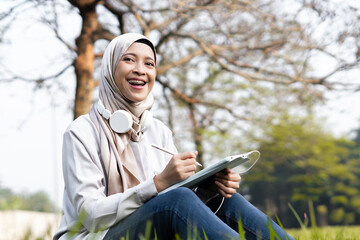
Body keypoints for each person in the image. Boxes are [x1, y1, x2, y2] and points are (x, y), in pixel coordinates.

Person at [54, 33, 294, 240]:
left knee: (224, 200)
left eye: (149, 64)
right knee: (177, 200)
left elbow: (170, 207)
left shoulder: (157, 130)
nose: (140, 70)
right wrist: (157, 184)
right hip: (96, 236)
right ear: (109, 68)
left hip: (147, 227)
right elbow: (90, 215)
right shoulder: (81, 131)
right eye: (128, 59)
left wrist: (208, 189)